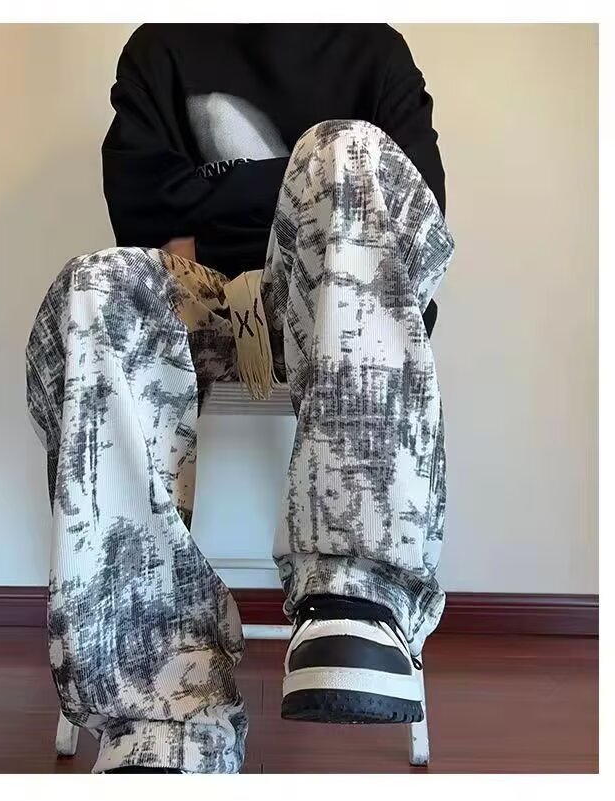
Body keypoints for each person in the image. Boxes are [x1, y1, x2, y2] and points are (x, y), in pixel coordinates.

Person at [26, 23, 454, 774]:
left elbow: (407, 220)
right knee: (97, 285)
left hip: (339, 312)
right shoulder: (162, 47)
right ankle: (163, 698)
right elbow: (146, 219)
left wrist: (217, 193)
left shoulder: (373, 50)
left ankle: (356, 595)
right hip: (205, 303)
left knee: (348, 153)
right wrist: (289, 195)